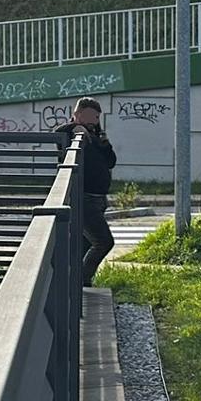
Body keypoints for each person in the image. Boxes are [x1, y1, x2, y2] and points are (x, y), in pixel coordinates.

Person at [53, 97, 119, 283]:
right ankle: (80, 280)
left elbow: (111, 162)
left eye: (97, 117)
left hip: (98, 198)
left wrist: (104, 143)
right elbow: (57, 134)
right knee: (104, 242)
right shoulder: (71, 133)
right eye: (90, 117)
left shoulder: (96, 135)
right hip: (84, 197)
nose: (94, 121)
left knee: (85, 244)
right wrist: (73, 128)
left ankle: (72, 282)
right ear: (77, 115)